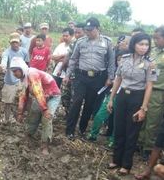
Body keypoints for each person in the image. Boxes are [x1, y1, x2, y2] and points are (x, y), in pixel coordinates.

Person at [107, 33, 157, 175]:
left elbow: (149, 86)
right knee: (119, 129)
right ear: (134, 44)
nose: (143, 47)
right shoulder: (124, 59)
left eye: (146, 45)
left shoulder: (150, 63)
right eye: (140, 44)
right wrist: (111, 99)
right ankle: (116, 159)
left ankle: (126, 164)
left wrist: (143, 108)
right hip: (122, 96)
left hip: (138, 97)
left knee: (132, 132)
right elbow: (118, 79)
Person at [63, 17, 115, 139]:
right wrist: (67, 74)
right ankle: (69, 130)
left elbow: (112, 62)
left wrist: (110, 77)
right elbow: (74, 59)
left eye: (91, 30)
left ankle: (82, 129)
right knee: (76, 102)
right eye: (86, 30)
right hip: (81, 76)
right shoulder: (81, 42)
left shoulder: (107, 42)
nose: (88, 32)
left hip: (98, 78)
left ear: (98, 29)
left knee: (89, 105)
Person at [11, 57, 60, 155]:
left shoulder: (32, 74)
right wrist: (20, 112)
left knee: (46, 119)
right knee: (33, 114)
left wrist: (45, 110)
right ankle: (28, 135)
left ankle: (44, 145)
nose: (14, 74)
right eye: (13, 71)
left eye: (15, 71)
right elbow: (22, 95)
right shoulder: (23, 78)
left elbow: (38, 92)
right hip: (41, 96)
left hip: (52, 96)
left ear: (21, 69)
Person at [139, 26, 164, 161]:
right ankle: (140, 143)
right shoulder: (152, 51)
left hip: (159, 92)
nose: (154, 41)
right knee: (143, 117)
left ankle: (148, 148)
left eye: (157, 38)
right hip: (145, 89)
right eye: (153, 38)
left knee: (153, 121)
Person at [0, 32, 29, 122]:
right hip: (10, 81)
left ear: (20, 42)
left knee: (23, 99)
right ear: (10, 43)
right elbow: (4, 60)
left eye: (16, 42)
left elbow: (27, 63)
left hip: (22, 80)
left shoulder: (24, 51)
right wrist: (3, 67)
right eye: (13, 43)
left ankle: (21, 118)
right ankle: (6, 119)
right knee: (8, 102)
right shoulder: (7, 52)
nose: (15, 44)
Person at [61, 23, 86, 115]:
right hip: (70, 73)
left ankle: (73, 117)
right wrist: (62, 68)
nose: (77, 35)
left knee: (75, 98)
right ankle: (68, 114)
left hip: (80, 76)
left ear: (85, 32)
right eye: (75, 32)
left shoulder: (87, 45)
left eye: (79, 33)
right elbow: (68, 56)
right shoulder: (74, 43)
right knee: (65, 96)